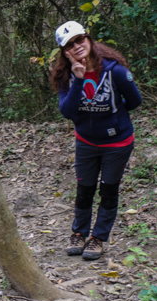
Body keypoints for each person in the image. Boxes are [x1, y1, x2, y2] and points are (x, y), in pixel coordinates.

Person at [50, 21, 142, 261]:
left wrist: (112, 119)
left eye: (80, 39)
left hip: (117, 142)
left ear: (88, 39)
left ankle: (98, 237)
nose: (77, 46)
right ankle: (79, 233)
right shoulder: (66, 77)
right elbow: (68, 112)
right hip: (86, 142)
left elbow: (134, 101)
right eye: (70, 44)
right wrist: (79, 79)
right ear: (64, 51)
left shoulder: (115, 71)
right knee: (85, 189)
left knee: (109, 190)